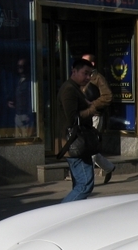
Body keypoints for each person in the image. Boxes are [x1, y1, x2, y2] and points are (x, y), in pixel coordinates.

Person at [57, 58, 96, 203]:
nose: (88, 77)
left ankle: (72, 215)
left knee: (79, 184)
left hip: (77, 143)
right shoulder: (69, 89)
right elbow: (72, 117)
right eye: (85, 73)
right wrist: (91, 110)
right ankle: (60, 214)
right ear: (74, 71)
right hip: (75, 143)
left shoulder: (74, 88)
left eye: (90, 74)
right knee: (85, 184)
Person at [81, 53, 116, 184]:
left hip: (95, 115)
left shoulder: (98, 78)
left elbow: (108, 96)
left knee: (91, 145)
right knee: (86, 145)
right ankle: (108, 167)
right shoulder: (82, 78)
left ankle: (87, 177)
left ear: (92, 64)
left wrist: (93, 105)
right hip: (84, 116)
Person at [8, 58, 34, 137]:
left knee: (26, 140)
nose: (20, 68)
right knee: (18, 140)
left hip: (25, 115)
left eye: (22, 66)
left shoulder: (30, 82)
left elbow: (31, 98)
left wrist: (29, 114)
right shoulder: (18, 80)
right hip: (17, 114)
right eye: (19, 66)